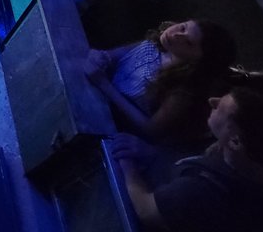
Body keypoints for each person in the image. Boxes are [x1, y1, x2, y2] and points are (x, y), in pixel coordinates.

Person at [113, 88, 263, 232]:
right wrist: (153, 154)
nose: (212, 100)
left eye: (221, 106)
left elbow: (145, 209)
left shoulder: (203, 193)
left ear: (236, 141)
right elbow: (192, 160)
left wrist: (126, 165)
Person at [86, 19, 239, 145]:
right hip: (93, 92)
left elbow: (151, 130)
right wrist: (102, 57)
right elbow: (115, 55)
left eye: (188, 43)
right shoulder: (155, 44)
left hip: (111, 121)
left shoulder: (182, 91)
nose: (176, 35)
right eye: (183, 27)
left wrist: (104, 85)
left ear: (199, 62)